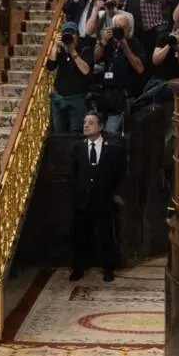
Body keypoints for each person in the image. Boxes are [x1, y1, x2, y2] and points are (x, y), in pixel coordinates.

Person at [70, 111, 125, 283]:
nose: (86, 125)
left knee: (105, 237)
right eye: (85, 122)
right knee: (80, 237)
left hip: (103, 200)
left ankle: (108, 269)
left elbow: (119, 173)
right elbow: (73, 175)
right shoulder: (77, 148)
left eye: (91, 122)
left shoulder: (113, 148)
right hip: (82, 202)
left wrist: (112, 192)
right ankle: (78, 269)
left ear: (100, 126)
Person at [46, 21, 94, 133]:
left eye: (72, 34)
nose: (69, 36)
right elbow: (50, 66)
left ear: (77, 36)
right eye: (66, 34)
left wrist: (73, 52)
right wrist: (54, 47)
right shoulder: (60, 50)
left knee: (75, 133)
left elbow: (86, 71)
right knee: (58, 133)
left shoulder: (84, 50)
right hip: (59, 98)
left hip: (77, 99)